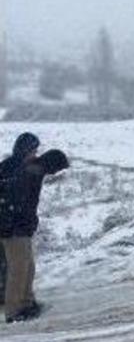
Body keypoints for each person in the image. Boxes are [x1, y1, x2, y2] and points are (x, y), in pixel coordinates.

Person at [0, 133, 69, 323]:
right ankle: (14, 312)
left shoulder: (25, 167)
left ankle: (27, 303)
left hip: (22, 227)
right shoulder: (14, 169)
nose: (34, 153)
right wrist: (12, 222)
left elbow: (44, 166)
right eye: (32, 150)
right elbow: (12, 200)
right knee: (17, 269)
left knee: (28, 267)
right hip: (12, 228)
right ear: (24, 150)